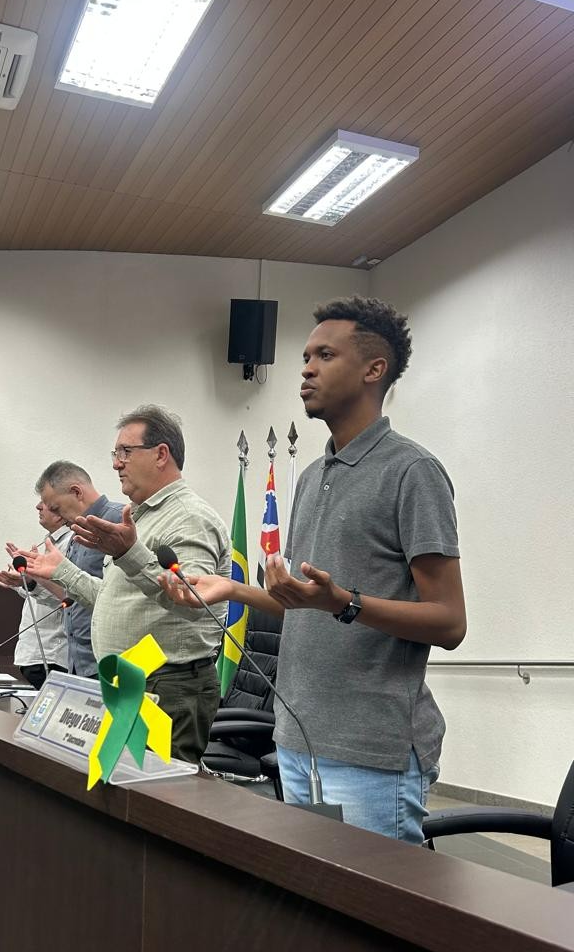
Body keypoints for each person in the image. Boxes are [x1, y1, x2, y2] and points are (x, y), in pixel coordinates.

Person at [161, 297, 466, 843]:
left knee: (369, 897)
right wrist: (232, 589)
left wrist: (345, 603)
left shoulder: (412, 472)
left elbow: (449, 622)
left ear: (374, 369)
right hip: (297, 740)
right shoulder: (310, 477)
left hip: (371, 753)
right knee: (313, 894)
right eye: (305, 356)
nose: (306, 369)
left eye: (325, 355)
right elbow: (304, 605)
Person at [19, 405, 231, 764]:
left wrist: (128, 553)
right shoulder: (140, 517)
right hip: (130, 684)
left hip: (166, 688)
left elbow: (193, 602)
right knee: (120, 791)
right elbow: (112, 599)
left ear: (161, 454)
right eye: (115, 453)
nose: (117, 464)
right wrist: (62, 571)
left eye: (125, 452)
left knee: (155, 795)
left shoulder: (189, 518)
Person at [9, 463, 123, 678]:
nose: (57, 515)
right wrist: (40, 576)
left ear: (76, 492)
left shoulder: (117, 520)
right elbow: (71, 595)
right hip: (79, 660)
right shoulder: (76, 531)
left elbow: (122, 596)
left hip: (108, 660)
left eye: (55, 508)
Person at [0, 499, 71, 690]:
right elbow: (39, 596)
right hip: (34, 652)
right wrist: (20, 582)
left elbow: (67, 598)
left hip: (51, 654)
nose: (38, 506)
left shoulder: (70, 543)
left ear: (60, 513)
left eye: (45, 502)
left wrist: (31, 582)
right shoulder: (51, 541)